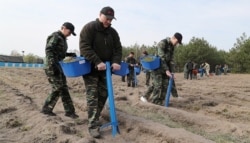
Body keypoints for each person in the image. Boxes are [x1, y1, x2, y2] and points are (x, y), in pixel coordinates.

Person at [79, 6, 122, 138]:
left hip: (106, 70)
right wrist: (97, 61)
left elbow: (118, 49)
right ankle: (93, 125)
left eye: (111, 19)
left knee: (103, 95)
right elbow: (84, 47)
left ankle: (95, 117)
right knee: (93, 97)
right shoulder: (90, 28)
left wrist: (116, 61)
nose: (108, 21)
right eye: (106, 18)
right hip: (91, 69)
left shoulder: (113, 32)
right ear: (100, 15)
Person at [41, 22, 79, 119]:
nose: (70, 34)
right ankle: (46, 109)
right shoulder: (56, 36)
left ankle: (70, 112)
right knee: (57, 88)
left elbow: (59, 52)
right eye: (70, 32)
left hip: (59, 66)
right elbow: (49, 50)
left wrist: (69, 54)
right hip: (52, 66)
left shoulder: (62, 39)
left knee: (64, 88)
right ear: (64, 28)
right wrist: (52, 65)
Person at [141, 33, 182, 105]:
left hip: (165, 68)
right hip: (157, 67)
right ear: (174, 38)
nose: (177, 44)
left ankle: (160, 101)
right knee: (157, 85)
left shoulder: (172, 47)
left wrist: (172, 72)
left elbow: (171, 60)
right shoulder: (163, 43)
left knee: (165, 85)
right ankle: (153, 101)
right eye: (177, 42)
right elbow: (161, 58)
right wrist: (167, 70)